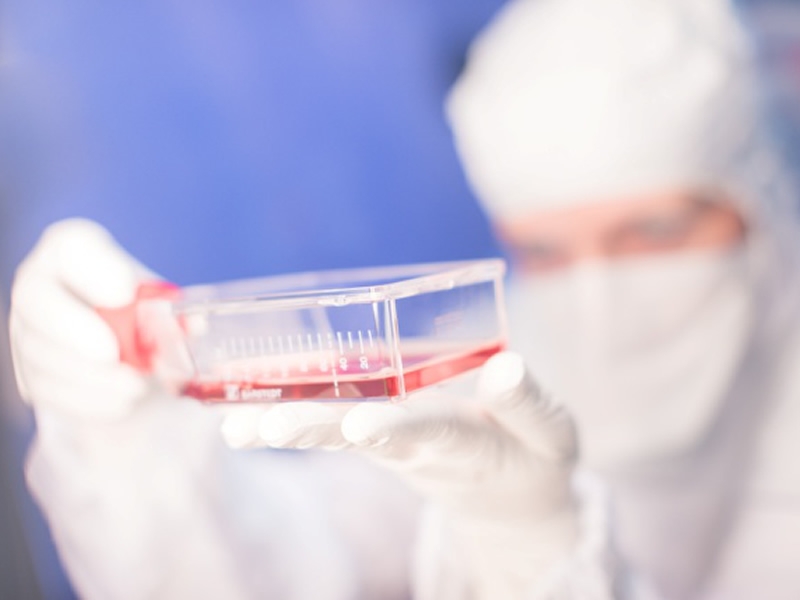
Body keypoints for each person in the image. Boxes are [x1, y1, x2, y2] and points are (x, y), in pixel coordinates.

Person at [9, 0, 800, 599]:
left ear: (759, 206)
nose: (598, 296)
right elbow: (266, 571)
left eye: (655, 231)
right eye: (546, 249)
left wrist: (540, 546)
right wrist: (123, 438)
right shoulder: (493, 377)